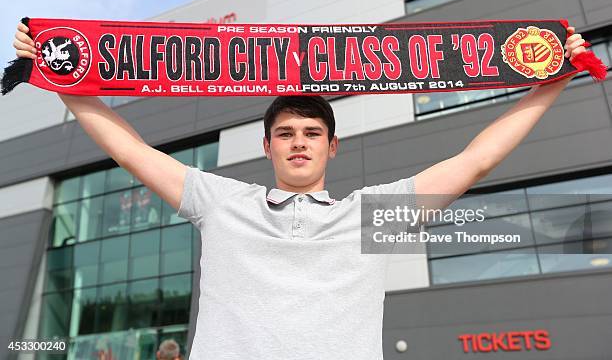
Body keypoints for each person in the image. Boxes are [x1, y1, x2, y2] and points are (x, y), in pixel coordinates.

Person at [13, 22, 588, 359]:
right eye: (284, 133)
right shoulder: (222, 203)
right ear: (266, 147)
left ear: (332, 147)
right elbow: (130, 151)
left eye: (313, 133)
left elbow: (477, 160)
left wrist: (555, 80)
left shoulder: (370, 217)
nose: (299, 142)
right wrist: (57, 74)